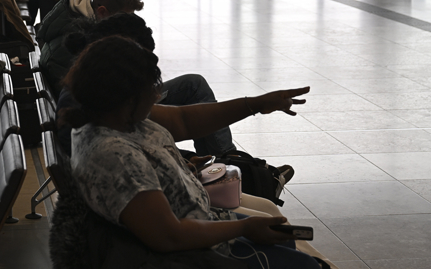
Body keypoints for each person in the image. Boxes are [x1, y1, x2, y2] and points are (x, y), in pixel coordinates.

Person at [65, 35, 321, 269]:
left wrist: (257, 104)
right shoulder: (114, 156)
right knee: (307, 265)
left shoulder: (112, 116)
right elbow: (170, 237)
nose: (157, 95)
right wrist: (244, 227)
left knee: (286, 241)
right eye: (152, 88)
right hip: (191, 252)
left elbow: (184, 121)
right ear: (128, 98)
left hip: (200, 223)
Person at [56, 13, 235, 158]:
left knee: (192, 84)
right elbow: (176, 125)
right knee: (193, 87)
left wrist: (185, 158)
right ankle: (226, 157)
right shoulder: (110, 125)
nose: (156, 95)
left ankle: (226, 157)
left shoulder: (90, 81)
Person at [37, 0, 144, 92]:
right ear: (102, 12)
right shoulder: (75, 46)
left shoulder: (68, 24)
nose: (126, 25)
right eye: (122, 18)